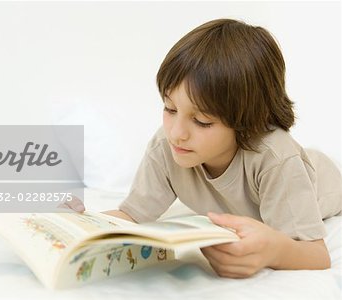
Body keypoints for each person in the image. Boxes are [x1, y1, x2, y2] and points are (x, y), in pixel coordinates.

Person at [68, 18, 342, 278]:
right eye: (170, 108)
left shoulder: (277, 160)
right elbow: (130, 215)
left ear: (248, 122)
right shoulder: (167, 145)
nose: (177, 134)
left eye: (202, 121)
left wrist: (274, 250)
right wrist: (83, 222)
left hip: (325, 182)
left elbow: (316, 255)